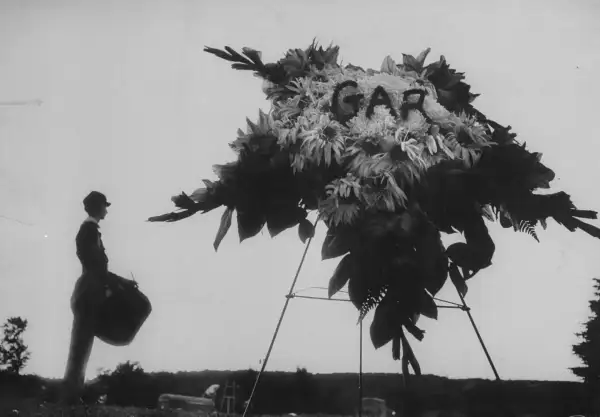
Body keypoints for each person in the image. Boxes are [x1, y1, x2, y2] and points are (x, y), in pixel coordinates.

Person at [62, 191, 113, 404]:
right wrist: (113, 283)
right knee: (80, 346)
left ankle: (73, 395)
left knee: (82, 345)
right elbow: (95, 264)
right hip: (89, 292)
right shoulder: (89, 230)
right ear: (96, 207)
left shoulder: (91, 230)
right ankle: (70, 398)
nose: (106, 210)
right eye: (104, 205)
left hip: (89, 291)